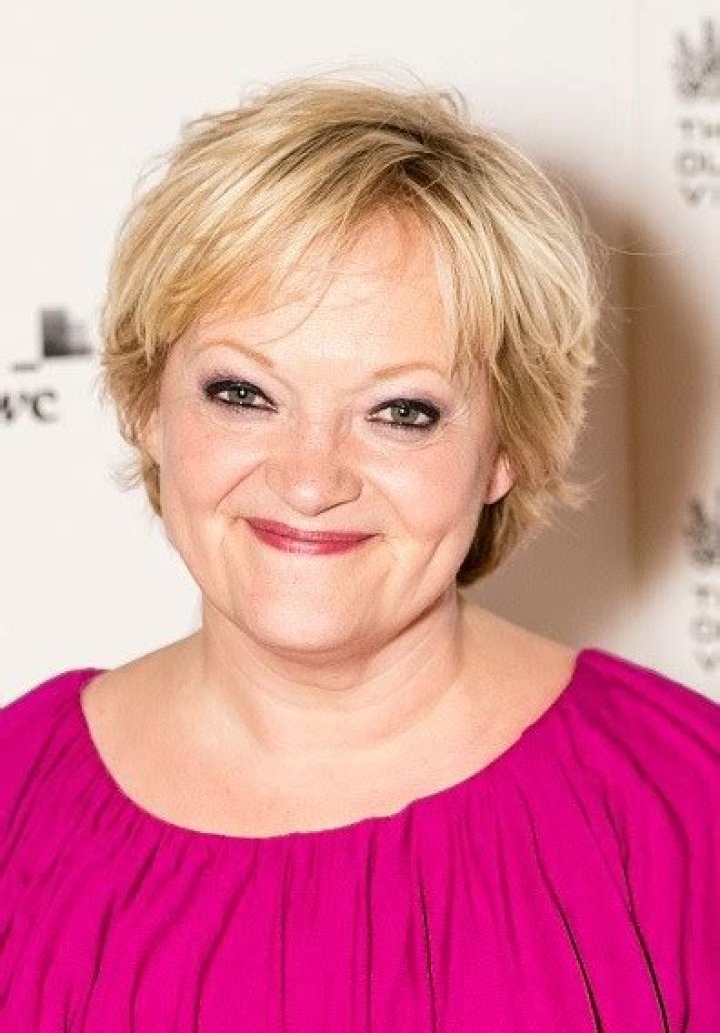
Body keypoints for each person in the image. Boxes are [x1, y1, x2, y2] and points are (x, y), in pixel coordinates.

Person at [1, 71, 718, 1031]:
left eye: (401, 412)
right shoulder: (13, 807)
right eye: (243, 394)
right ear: (146, 405)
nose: (310, 479)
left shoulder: (685, 810)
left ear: (505, 450)